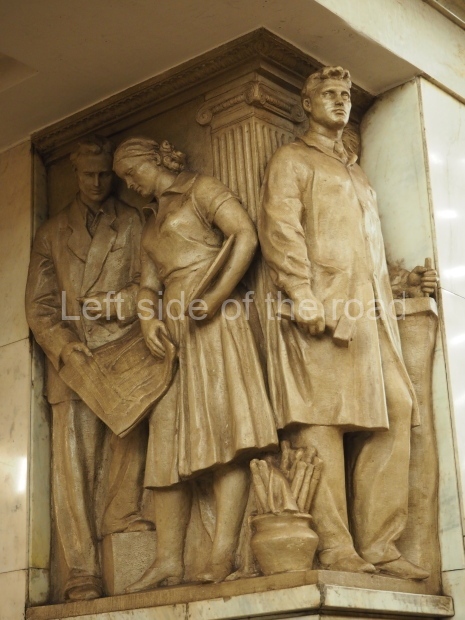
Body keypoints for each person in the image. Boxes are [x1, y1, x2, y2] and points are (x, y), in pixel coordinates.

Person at [257, 66, 436, 579]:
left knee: (397, 408)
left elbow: (364, 248)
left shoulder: (356, 172)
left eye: (345, 95)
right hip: (321, 310)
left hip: (369, 313)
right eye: (329, 94)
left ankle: (379, 543)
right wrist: (301, 293)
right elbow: (280, 229)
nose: (340, 102)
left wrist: (402, 282)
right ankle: (336, 546)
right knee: (322, 423)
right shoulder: (292, 159)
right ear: (307, 104)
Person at [113, 137, 278, 591]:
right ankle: (168, 559)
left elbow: (245, 234)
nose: (130, 184)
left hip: (214, 319)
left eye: (132, 172)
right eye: (124, 179)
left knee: (226, 431)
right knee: (166, 440)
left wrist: (217, 294)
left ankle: (222, 553)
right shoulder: (151, 221)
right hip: (173, 331)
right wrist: (148, 320)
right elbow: (147, 286)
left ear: (155, 160)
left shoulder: (200, 188)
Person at [26, 136, 153, 601]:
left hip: (124, 352)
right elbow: (39, 305)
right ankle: (81, 572)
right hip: (74, 364)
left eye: (104, 175)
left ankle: (124, 528)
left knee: (131, 441)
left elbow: (149, 285)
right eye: (88, 175)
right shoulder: (52, 233)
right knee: (73, 470)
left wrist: (116, 303)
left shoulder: (134, 222)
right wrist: (63, 347)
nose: (96, 183)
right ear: (75, 174)